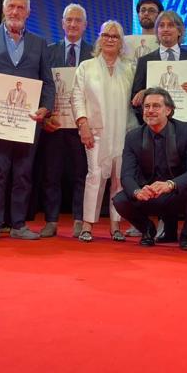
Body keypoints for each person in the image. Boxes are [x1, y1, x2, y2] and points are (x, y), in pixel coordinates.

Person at [0, 0, 54, 241]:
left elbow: (48, 83)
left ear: (28, 12)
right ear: (4, 9)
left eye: (20, 7)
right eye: (11, 6)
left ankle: (18, 224)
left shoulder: (39, 43)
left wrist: (46, 108)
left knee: (24, 174)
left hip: (28, 121)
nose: (15, 11)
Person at [113, 87, 187, 250]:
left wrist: (170, 185)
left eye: (156, 106)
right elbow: (126, 175)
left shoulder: (185, 131)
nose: (150, 110)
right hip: (149, 194)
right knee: (120, 200)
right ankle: (147, 229)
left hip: (176, 192)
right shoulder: (133, 137)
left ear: (168, 110)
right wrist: (138, 192)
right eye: (147, 106)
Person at [71, 20, 136, 242]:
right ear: (99, 39)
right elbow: (77, 97)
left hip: (123, 131)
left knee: (119, 179)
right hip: (95, 132)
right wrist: (83, 125)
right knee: (95, 175)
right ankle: (87, 224)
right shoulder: (86, 67)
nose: (110, 39)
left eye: (115, 36)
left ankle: (115, 225)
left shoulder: (129, 68)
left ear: (121, 42)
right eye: (106, 35)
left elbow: (136, 98)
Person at [40, 4, 92, 238]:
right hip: (55, 124)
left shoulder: (94, 53)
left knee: (82, 174)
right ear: (62, 23)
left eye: (77, 20)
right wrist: (45, 116)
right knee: (51, 174)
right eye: (69, 20)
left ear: (85, 25)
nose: (73, 24)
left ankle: (80, 219)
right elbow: (41, 85)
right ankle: (51, 221)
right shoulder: (48, 52)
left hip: (83, 125)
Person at [131, 10, 187, 122]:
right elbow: (134, 97)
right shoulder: (144, 61)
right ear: (157, 32)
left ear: (180, 31)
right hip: (153, 124)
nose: (165, 29)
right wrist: (142, 96)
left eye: (170, 25)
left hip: (185, 124)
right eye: (161, 26)